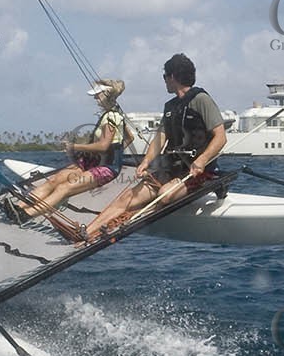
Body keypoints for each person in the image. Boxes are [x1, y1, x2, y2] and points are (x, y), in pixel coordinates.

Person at [83, 53, 226, 241]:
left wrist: (201, 160)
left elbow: (220, 137)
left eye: (164, 76)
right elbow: (159, 139)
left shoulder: (201, 99)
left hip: (197, 172)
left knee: (164, 195)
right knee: (126, 198)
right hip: (170, 168)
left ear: (172, 77)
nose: (164, 81)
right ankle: (86, 232)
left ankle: (123, 222)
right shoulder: (170, 107)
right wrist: (146, 161)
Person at [11, 78, 133, 220]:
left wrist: (75, 147)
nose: (95, 97)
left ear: (107, 95)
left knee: (64, 188)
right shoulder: (111, 114)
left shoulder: (113, 116)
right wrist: (116, 152)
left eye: (97, 95)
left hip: (106, 168)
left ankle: (26, 214)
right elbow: (130, 138)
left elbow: (103, 146)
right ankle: (19, 206)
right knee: (54, 180)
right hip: (92, 163)